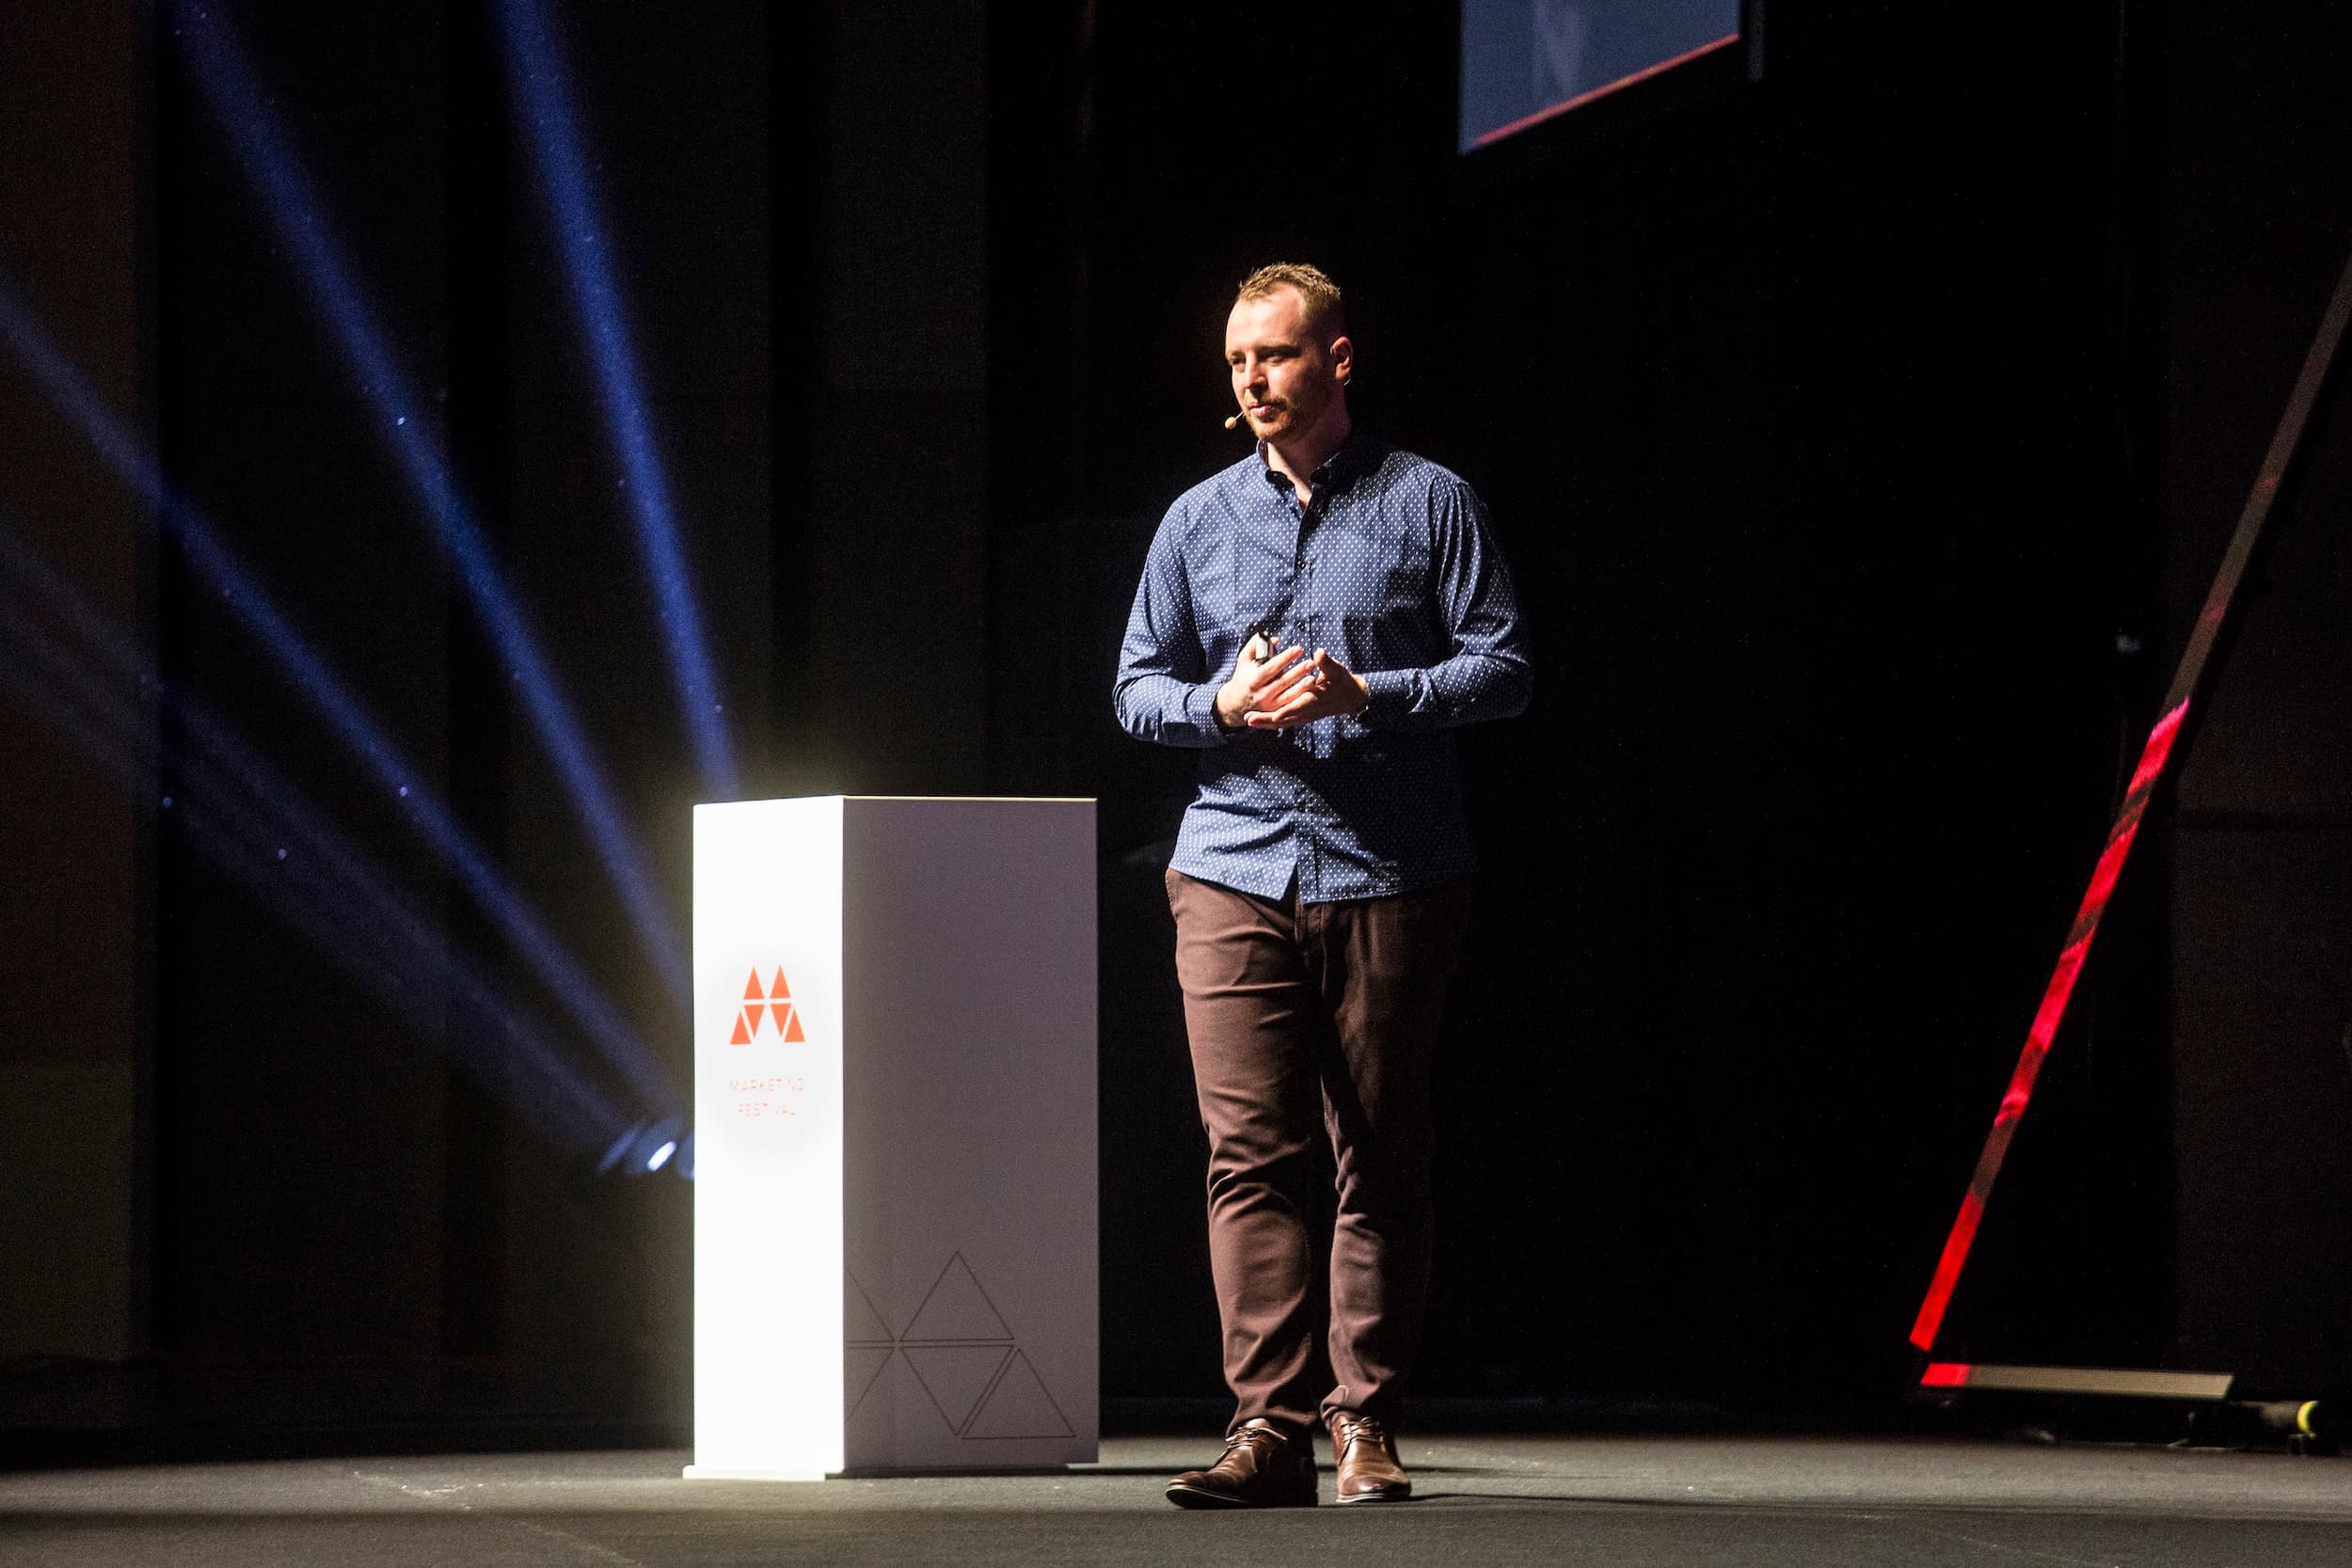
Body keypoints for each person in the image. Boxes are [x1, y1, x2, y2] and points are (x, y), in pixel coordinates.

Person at [1113, 262, 1533, 1508]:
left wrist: (1371, 693)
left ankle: (1366, 1422)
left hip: (1389, 870)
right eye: (1239, 361)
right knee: (1248, 1156)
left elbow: (1504, 667)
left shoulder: (1430, 502)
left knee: (1379, 1156)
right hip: (1231, 864)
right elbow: (1135, 690)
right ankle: (1266, 1429)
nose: (1254, 380)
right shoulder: (1196, 520)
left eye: (1278, 356)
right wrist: (1220, 704)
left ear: (1337, 360)